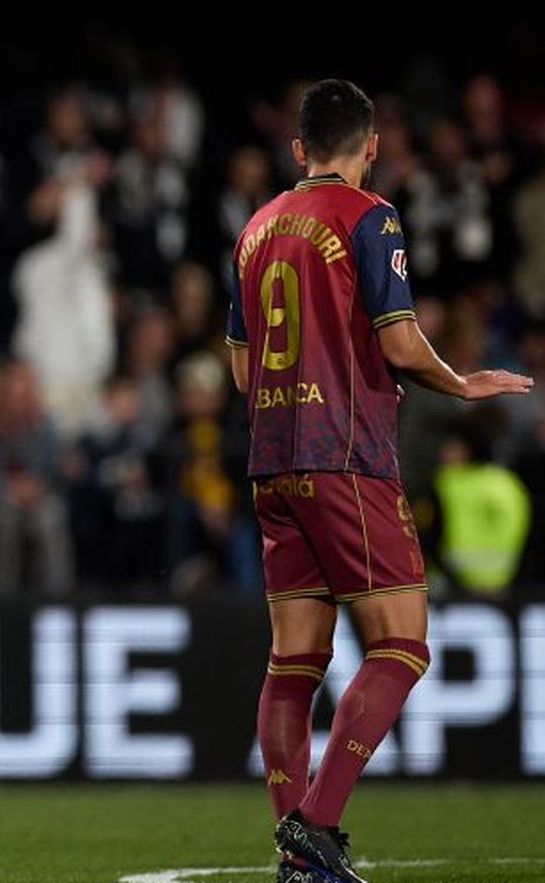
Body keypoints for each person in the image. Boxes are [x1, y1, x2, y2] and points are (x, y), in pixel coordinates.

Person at [226, 80, 532, 883]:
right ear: (370, 147)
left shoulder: (254, 230)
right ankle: (317, 829)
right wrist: (460, 382)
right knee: (401, 643)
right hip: (344, 454)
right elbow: (398, 342)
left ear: (297, 149)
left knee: (294, 661)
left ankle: (295, 855)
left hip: (271, 458)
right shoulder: (372, 216)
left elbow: (238, 363)